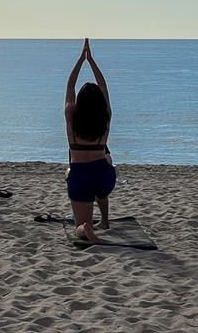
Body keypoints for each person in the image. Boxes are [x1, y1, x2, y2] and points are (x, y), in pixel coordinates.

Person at [65, 38, 116, 243]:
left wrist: (81, 60)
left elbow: (70, 85)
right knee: (107, 164)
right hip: (104, 178)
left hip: (80, 176)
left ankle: (86, 228)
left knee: (79, 226)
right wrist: (92, 60)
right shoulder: (105, 116)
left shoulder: (71, 115)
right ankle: (104, 220)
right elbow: (103, 86)